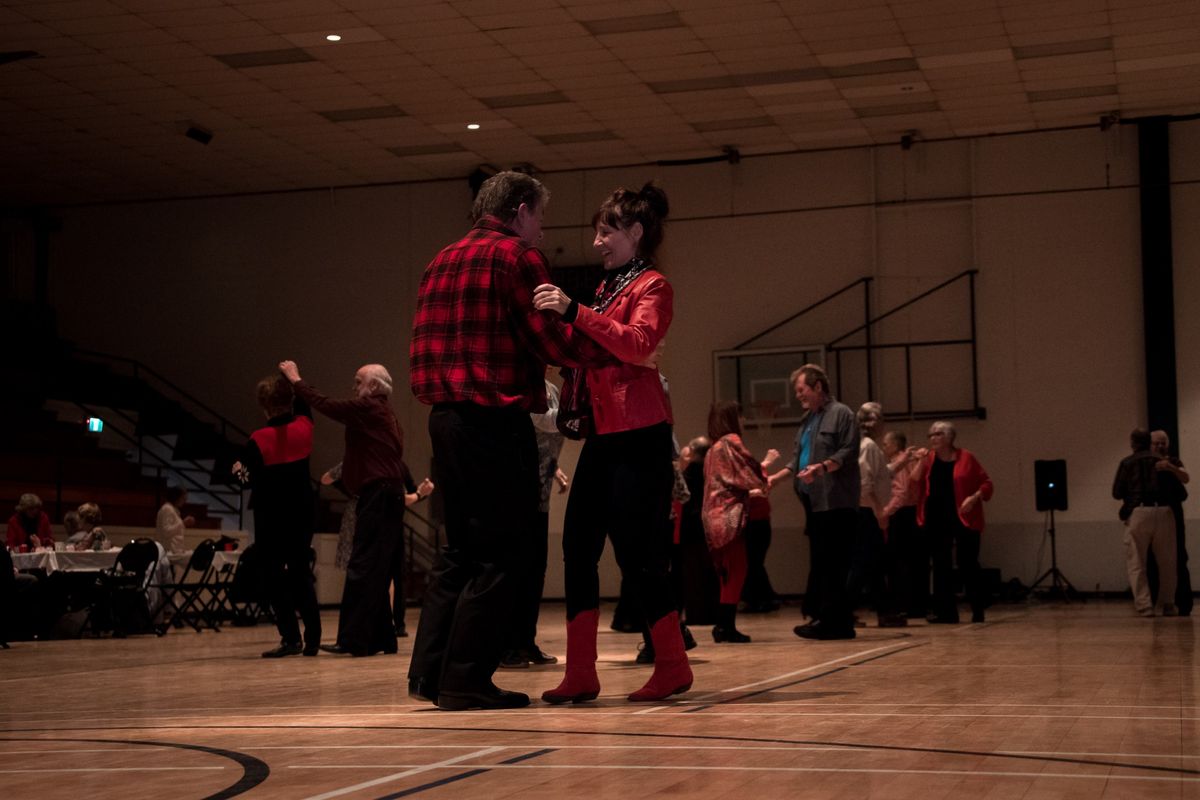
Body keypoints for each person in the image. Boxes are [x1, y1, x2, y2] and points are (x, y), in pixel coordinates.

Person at [407, 170, 613, 711]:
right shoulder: (516, 257)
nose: (542, 231)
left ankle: (430, 674)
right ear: (521, 209)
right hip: (491, 421)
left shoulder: (440, 258)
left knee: (459, 551)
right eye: (540, 218)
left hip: (444, 420)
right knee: (505, 554)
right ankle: (466, 680)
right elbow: (547, 339)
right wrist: (604, 347)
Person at [535, 181, 693, 704]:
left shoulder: (653, 286)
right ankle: (581, 672)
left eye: (606, 232)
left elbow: (638, 344)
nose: (597, 242)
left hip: (641, 435)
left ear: (635, 232)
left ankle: (672, 665)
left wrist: (575, 312)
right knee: (576, 547)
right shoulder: (610, 288)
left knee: (641, 556)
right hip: (604, 433)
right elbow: (602, 348)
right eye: (597, 232)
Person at [280, 360, 419, 657]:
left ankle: (353, 640)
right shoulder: (387, 413)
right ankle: (382, 638)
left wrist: (295, 380)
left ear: (372, 387)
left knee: (361, 567)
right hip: (387, 494)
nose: (353, 387)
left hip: (379, 494)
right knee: (375, 569)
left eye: (358, 381)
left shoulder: (369, 408)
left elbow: (325, 404)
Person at [235, 375, 322, 658]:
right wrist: (293, 376)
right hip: (302, 510)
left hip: (271, 513)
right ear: (290, 401)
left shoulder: (258, 440)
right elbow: (305, 403)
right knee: (300, 571)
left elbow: (245, 478)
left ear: (264, 406)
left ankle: (290, 638)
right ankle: (313, 639)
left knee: (273, 575)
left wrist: (236, 467)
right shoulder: (304, 427)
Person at [772, 364, 860, 641]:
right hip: (814, 502)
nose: (798, 396)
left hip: (836, 502)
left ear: (818, 386)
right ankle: (831, 619)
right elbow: (797, 459)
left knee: (835, 563)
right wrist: (775, 479)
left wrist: (821, 468)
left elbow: (848, 450)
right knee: (822, 563)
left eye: (801, 390)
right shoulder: (808, 420)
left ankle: (834, 622)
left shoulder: (842, 414)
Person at [501, 378, 569, 669]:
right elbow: (544, 421)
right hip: (517, 491)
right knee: (517, 570)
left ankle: (526, 642)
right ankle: (507, 646)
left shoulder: (550, 387)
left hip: (538, 492)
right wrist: (583, 412)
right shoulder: (523, 386)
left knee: (535, 570)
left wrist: (554, 470)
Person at [701, 401, 769, 644]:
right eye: (739, 416)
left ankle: (724, 625)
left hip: (711, 516)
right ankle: (724, 626)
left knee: (726, 572)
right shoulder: (730, 442)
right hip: (727, 515)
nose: (743, 421)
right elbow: (750, 471)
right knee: (737, 570)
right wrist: (764, 476)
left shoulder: (712, 449)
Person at [917, 421, 994, 624]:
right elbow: (915, 479)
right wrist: (918, 460)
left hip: (964, 516)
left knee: (967, 563)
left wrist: (974, 497)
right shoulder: (929, 459)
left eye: (938, 434)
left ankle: (978, 609)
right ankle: (946, 612)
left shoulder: (966, 457)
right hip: (936, 518)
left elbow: (987, 483)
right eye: (930, 434)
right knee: (941, 565)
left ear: (950, 437)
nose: (933, 438)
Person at [1112, 428, 1176, 617]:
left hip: (1138, 513)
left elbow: (1116, 492)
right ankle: (1168, 604)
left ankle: (1144, 605)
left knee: (1137, 563)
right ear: (1149, 442)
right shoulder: (1163, 462)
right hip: (1164, 511)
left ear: (1132, 443)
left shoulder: (1127, 462)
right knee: (1167, 562)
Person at [847, 402, 899, 626]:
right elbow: (865, 484)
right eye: (877, 419)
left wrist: (902, 462)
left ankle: (884, 612)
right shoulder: (867, 445)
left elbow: (879, 474)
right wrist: (880, 510)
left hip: (867, 511)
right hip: (865, 512)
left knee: (875, 563)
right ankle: (843, 611)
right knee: (862, 564)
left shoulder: (870, 447)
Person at [881, 430, 925, 621]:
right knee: (911, 562)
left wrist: (885, 512)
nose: (883, 447)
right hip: (910, 513)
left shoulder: (900, 463)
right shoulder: (910, 460)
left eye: (885, 444)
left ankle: (901, 605)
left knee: (898, 563)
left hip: (901, 514)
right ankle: (914, 605)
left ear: (895, 445)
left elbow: (902, 491)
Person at [1149, 430, 1191, 615]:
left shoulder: (1174, 461)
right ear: (1150, 444)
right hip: (1153, 514)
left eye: (1163, 442)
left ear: (1168, 444)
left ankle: (1184, 604)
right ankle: (1156, 603)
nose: (1160, 446)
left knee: (1180, 557)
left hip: (1174, 513)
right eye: (1156, 443)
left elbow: (1185, 477)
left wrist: (1170, 468)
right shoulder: (1147, 463)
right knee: (1152, 559)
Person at [156, 486, 195, 554]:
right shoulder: (167, 509)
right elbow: (166, 531)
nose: (185, 501)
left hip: (175, 550)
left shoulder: (174, 510)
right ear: (176, 497)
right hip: (168, 552)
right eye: (183, 498)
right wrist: (183, 523)